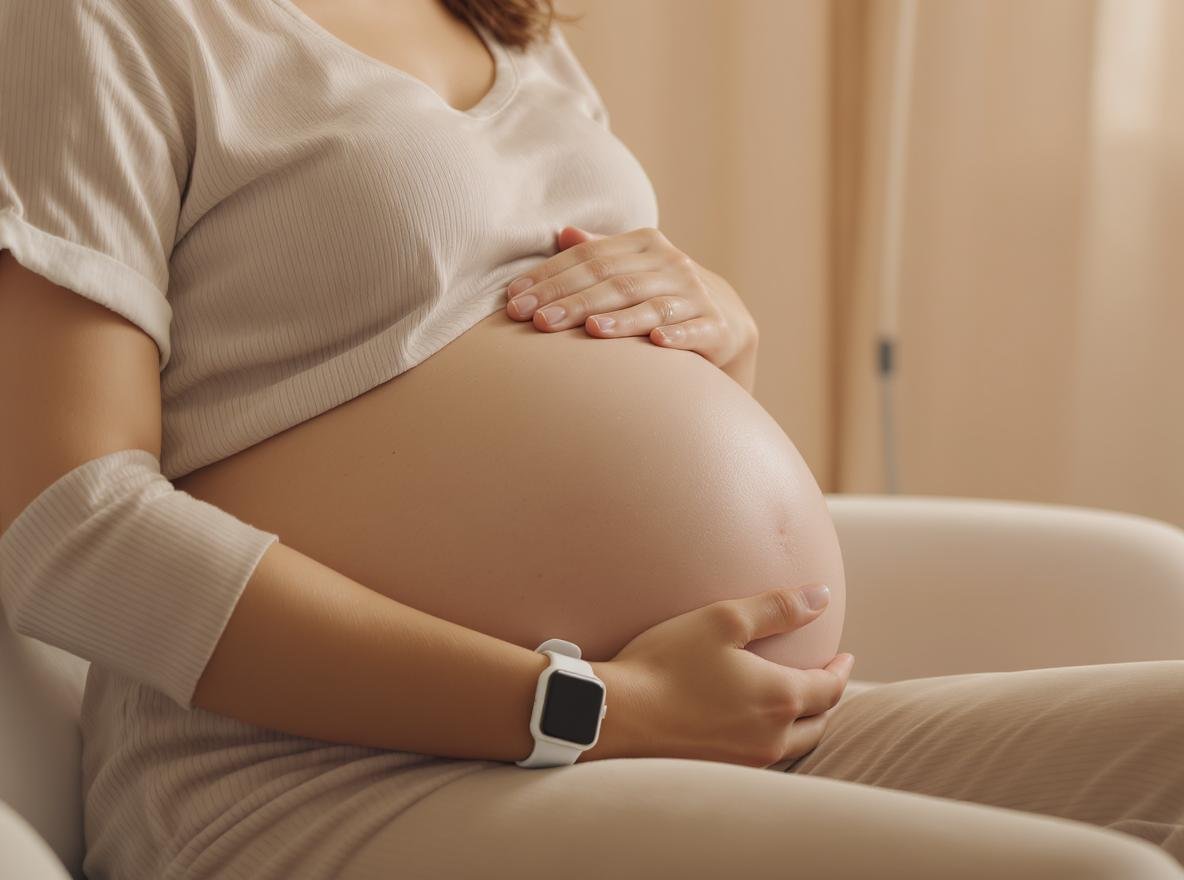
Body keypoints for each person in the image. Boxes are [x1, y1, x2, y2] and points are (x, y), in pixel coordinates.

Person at [1, 1, 1181, 878]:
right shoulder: (103, 20)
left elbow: (556, 395)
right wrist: (578, 706)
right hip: (318, 773)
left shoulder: (511, 31)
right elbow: (69, 530)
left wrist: (717, 336)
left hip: (675, 734)